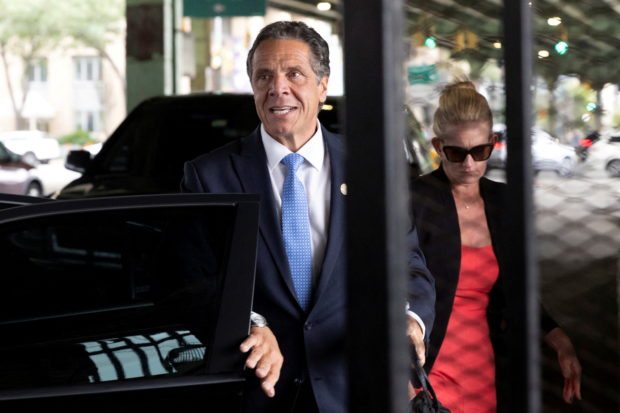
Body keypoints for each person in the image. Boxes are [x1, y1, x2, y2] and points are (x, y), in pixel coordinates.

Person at [181, 21, 435, 413]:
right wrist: (247, 324)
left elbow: (407, 265)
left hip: (354, 388)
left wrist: (410, 322)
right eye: (264, 75)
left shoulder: (370, 168)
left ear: (322, 85)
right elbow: (192, 281)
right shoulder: (208, 176)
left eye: (294, 74)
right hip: (260, 392)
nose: (277, 88)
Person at [409, 81, 582, 412]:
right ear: (437, 146)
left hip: (484, 364)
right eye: (457, 153)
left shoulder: (503, 203)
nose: (470, 164)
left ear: (493, 144)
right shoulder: (415, 201)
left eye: (480, 152)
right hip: (427, 366)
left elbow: (514, 291)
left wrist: (560, 341)